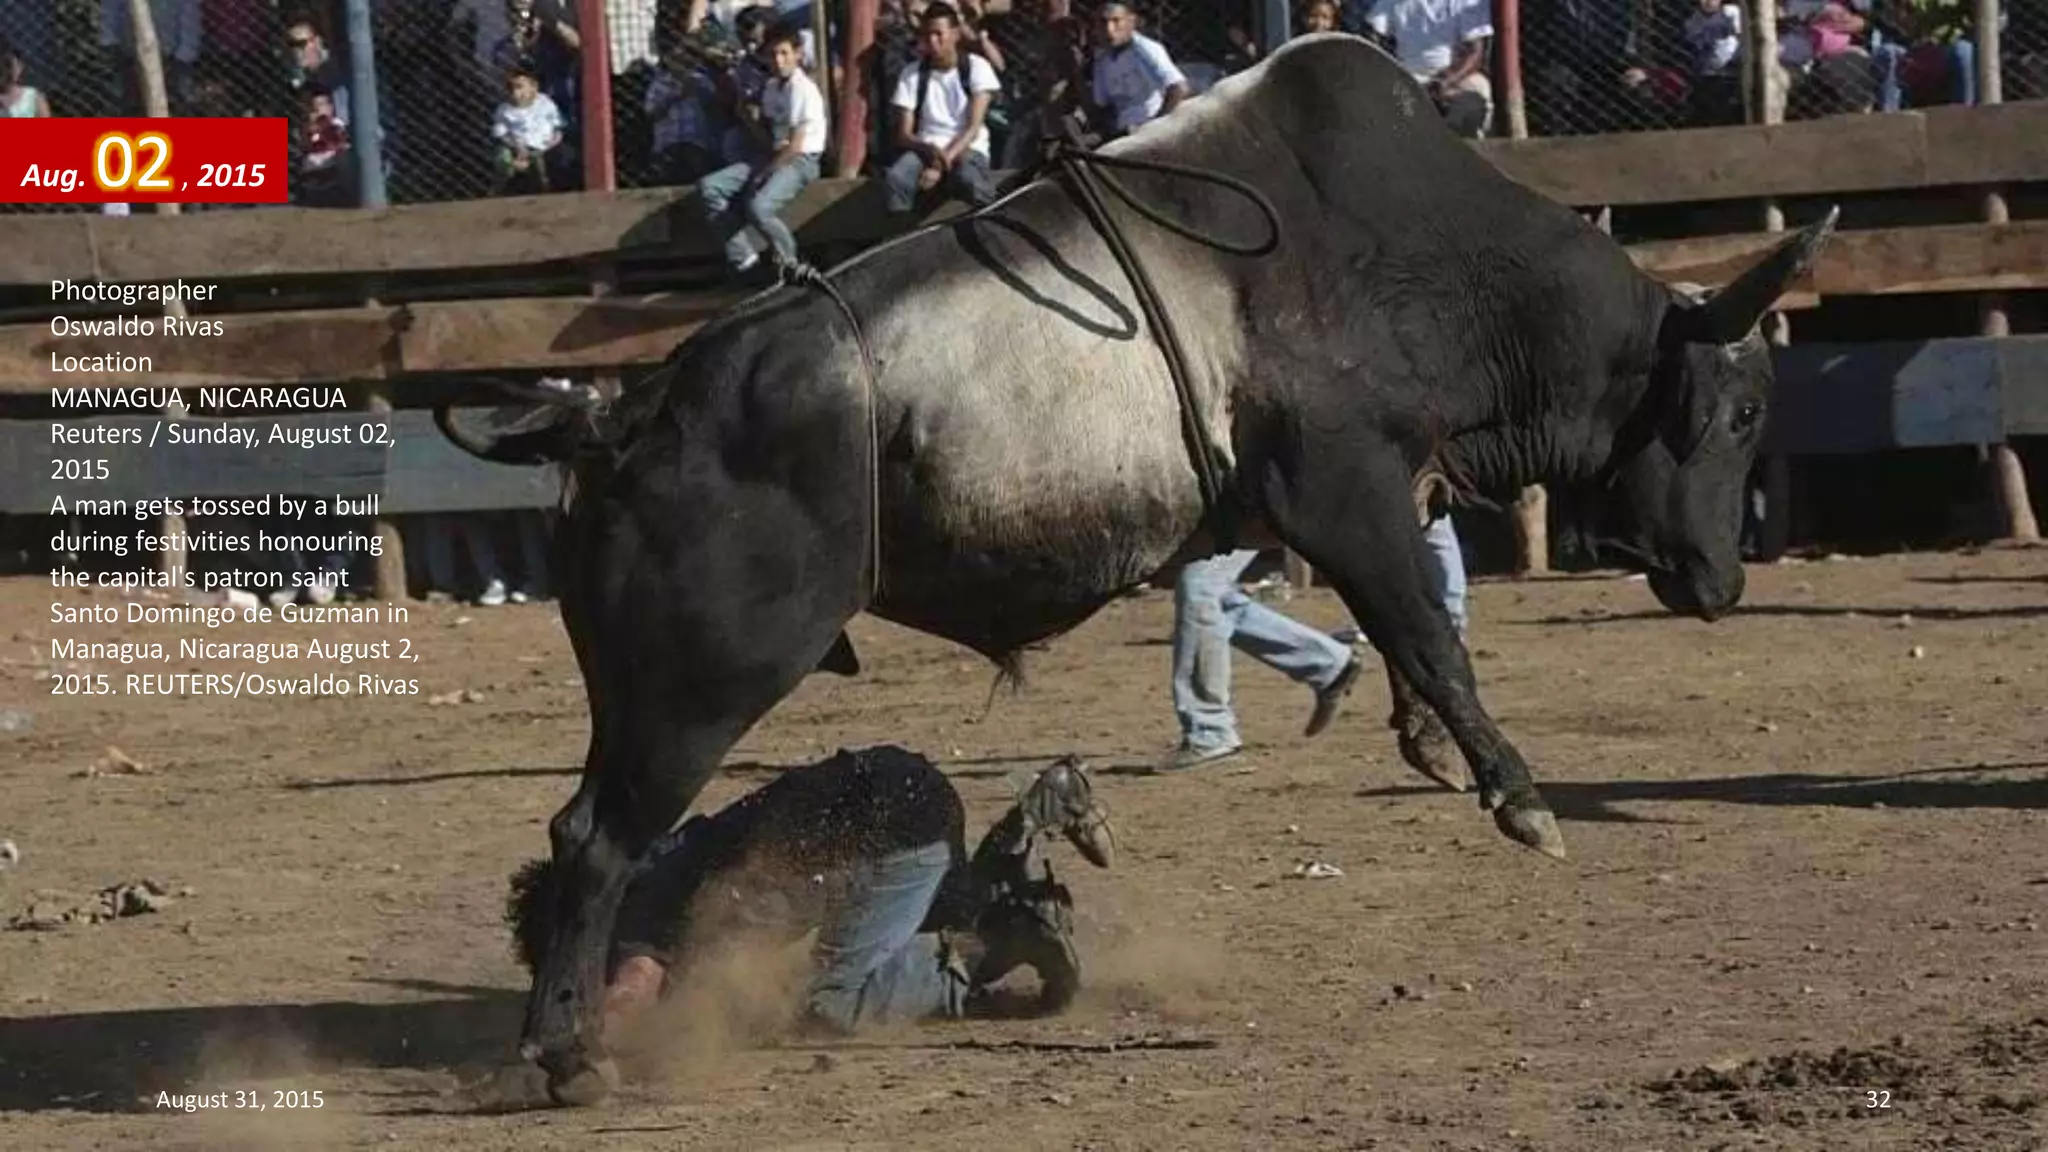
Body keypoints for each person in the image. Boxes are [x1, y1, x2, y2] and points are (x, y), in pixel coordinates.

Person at [499, 747, 1113, 1104]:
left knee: (831, 1003)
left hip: (890, 838)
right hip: (907, 787)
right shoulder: (654, 858)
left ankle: (1005, 940)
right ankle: (1029, 821)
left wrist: (575, 1054)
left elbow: (632, 990)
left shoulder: (632, 920)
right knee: (922, 918)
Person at [1163, 504, 1469, 773]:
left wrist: (1449, 621)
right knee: (1208, 595)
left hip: (1278, 486)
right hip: (1268, 484)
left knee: (1200, 588)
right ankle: (1326, 664)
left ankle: (1210, 731)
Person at [697, 24, 828, 278]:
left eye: (784, 53)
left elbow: (796, 145)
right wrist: (745, 115)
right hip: (773, 156)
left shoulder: (803, 90)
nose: (779, 61)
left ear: (797, 54)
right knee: (709, 187)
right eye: (773, 55)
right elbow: (767, 137)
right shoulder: (771, 88)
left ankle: (791, 261)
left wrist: (764, 174)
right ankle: (744, 258)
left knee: (759, 206)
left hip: (800, 160)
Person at [885, 2, 1004, 216]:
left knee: (969, 179)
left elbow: (973, 128)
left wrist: (940, 165)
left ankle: (995, 221)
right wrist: (927, 149)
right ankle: (902, 236)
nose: (933, 41)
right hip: (926, 147)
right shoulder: (911, 74)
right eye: (927, 34)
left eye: (939, 34)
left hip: (968, 147)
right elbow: (904, 134)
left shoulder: (977, 67)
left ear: (956, 34)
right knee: (897, 177)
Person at [1087, 1, 1188, 139]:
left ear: (1131, 22)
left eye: (1116, 21)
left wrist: (1157, 126)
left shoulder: (1145, 49)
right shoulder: (1102, 60)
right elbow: (1103, 104)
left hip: (1150, 128)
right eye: (1102, 22)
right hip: (1124, 132)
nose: (1109, 29)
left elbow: (1178, 87)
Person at [492, 64, 567, 194]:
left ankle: (546, 188)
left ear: (534, 87)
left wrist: (552, 142)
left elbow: (558, 128)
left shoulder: (545, 103)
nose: (515, 93)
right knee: (502, 156)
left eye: (520, 87)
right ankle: (500, 188)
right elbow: (501, 135)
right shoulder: (504, 110)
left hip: (544, 148)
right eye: (511, 89)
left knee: (548, 161)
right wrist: (517, 146)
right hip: (518, 148)